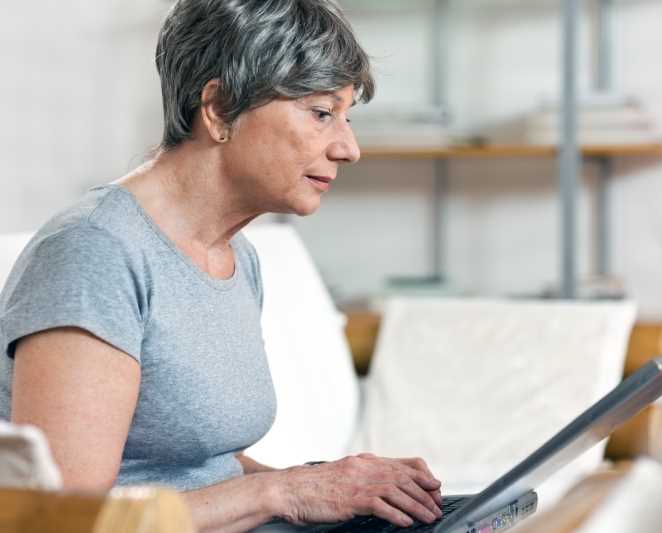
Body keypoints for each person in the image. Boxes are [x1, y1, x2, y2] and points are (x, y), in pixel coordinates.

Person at [0, 1, 443, 531]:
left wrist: (336, 493)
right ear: (219, 109)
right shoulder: (93, 251)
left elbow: (196, 468)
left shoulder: (236, 256)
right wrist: (282, 491)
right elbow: (69, 521)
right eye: (322, 113)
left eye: (347, 117)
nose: (348, 147)